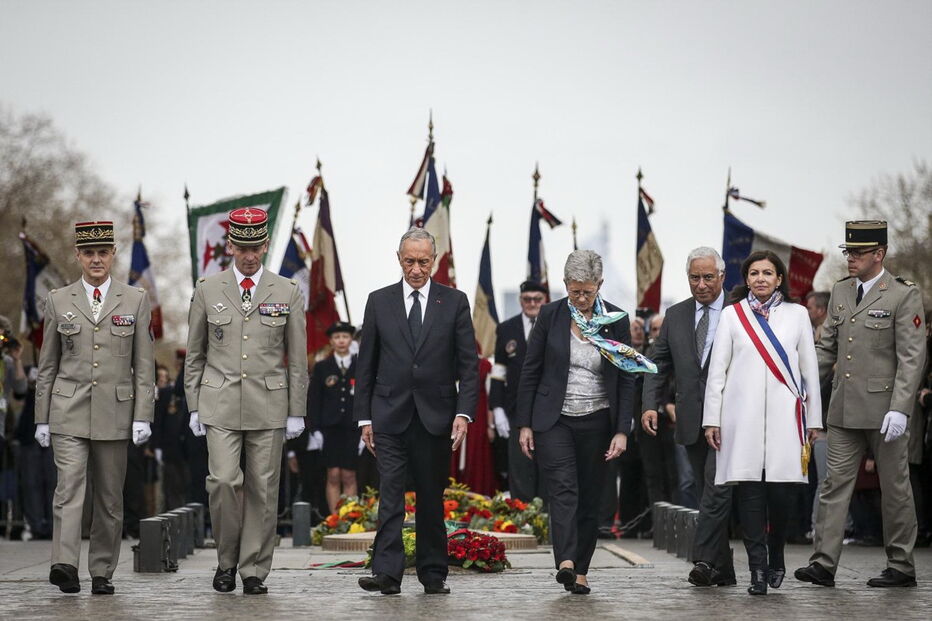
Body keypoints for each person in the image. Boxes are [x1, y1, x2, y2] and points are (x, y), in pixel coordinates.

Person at [184, 207, 308, 595]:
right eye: (242, 247)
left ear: (266, 245)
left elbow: (298, 358)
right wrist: (192, 405)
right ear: (230, 245)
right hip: (219, 402)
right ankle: (226, 561)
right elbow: (195, 354)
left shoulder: (287, 290)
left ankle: (253, 569)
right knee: (222, 482)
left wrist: (297, 411)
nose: (250, 255)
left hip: (269, 404)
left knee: (263, 490)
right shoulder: (208, 289)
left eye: (256, 247)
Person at [796, 220, 927, 588]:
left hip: (885, 411)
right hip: (843, 410)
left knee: (895, 488)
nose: (850, 258)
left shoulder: (902, 294)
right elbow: (827, 348)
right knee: (833, 486)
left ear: (878, 254)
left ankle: (901, 564)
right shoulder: (841, 291)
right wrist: (799, 384)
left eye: (858, 252)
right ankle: (823, 563)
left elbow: (912, 357)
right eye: (848, 252)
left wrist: (901, 407)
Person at [517, 250, 653, 594]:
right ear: (565, 285)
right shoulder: (549, 315)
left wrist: (623, 430)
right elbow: (531, 370)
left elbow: (626, 378)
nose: (580, 298)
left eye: (587, 292)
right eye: (574, 290)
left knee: (591, 497)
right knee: (563, 491)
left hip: (598, 420)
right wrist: (525, 424)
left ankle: (581, 570)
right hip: (554, 419)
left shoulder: (616, 321)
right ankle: (565, 562)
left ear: (600, 286)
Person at [33, 221, 155, 595]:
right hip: (68, 409)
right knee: (68, 489)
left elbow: (144, 364)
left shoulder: (134, 299)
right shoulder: (58, 300)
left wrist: (143, 415)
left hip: (115, 412)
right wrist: (42, 418)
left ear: (112, 254)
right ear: (78, 256)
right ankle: (64, 565)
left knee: (109, 496)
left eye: (103, 253)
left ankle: (102, 570)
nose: (97, 259)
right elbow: (48, 364)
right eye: (89, 253)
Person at [355, 227, 478, 596]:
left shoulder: (454, 302)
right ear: (399, 259)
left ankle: (433, 573)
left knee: (429, 497)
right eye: (410, 261)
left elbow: (469, 366)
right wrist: (364, 418)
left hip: (436, 417)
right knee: (390, 495)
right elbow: (366, 365)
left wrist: (463, 413)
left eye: (424, 262)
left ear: (434, 261)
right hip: (388, 416)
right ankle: (387, 573)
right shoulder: (379, 301)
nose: (416, 269)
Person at [702, 250, 822, 595]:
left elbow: (809, 370)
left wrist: (814, 418)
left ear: (779, 278)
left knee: (781, 495)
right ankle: (757, 568)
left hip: (786, 419)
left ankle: (777, 555)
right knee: (750, 493)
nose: (760, 279)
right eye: (754, 273)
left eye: (767, 273)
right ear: (747, 278)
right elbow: (717, 373)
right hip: (742, 418)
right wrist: (713, 419)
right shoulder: (732, 316)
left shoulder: (797, 315)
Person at [641, 247, 736, 587]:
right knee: (704, 493)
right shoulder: (677, 314)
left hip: (730, 419)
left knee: (716, 489)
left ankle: (704, 560)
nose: (701, 284)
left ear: (722, 277)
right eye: (695, 277)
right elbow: (656, 364)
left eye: (708, 277)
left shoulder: (739, 311)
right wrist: (650, 404)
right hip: (690, 420)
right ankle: (722, 571)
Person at [489, 280, 548, 502]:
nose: (532, 303)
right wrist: (497, 408)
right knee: (520, 466)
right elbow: (498, 371)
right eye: (527, 299)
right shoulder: (506, 328)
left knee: (546, 466)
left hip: (546, 408)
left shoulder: (553, 326)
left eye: (537, 299)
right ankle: (524, 519)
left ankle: (546, 519)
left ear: (545, 301)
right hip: (514, 408)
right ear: (520, 300)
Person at [308, 321, 358, 513]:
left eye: (345, 336)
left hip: (352, 428)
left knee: (349, 474)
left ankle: (352, 517)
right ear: (331, 341)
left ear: (350, 339)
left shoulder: (360, 364)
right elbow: (314, 400)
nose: (341, 341)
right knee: (333, 474)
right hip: (330, 429)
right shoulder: (322, 367)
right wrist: (315, 430)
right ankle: (335, 519)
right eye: (337, 337)